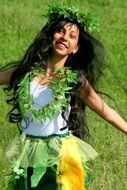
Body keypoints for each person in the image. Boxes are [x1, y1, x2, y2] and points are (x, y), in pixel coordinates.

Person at [0, 3, 127, 190]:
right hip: (29, 150)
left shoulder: (75, 81)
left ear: (75, 48)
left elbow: (105, 110)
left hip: (60, 154)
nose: (64, 37)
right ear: (51, 35)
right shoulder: (25, 72)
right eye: (60, 31)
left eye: (72, 36)